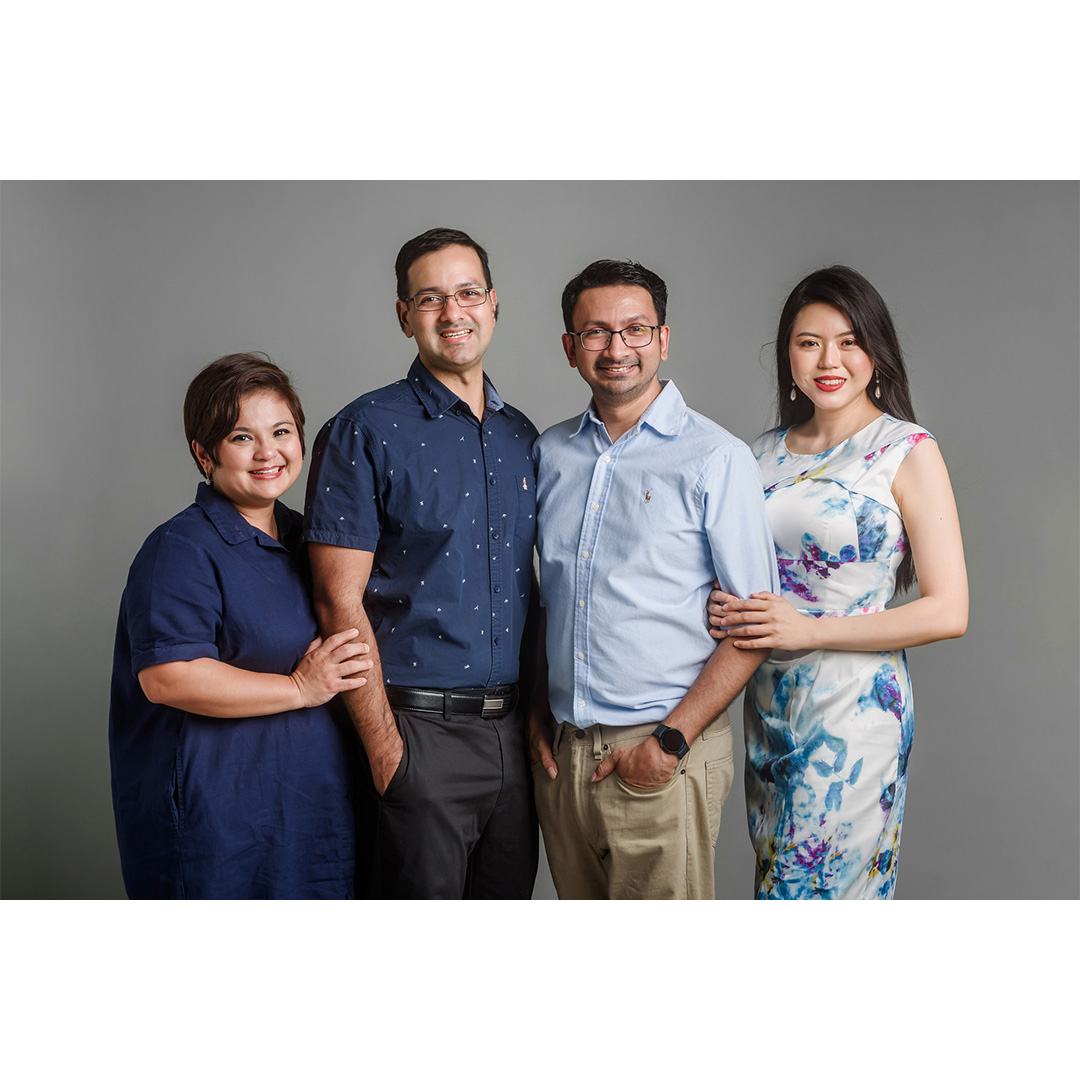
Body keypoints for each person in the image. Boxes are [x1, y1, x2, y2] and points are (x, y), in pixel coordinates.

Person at [709, 265, 968, 899]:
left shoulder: (904, 449)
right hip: (767, 706)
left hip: (853, 715)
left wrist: (810, 627)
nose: (830, 359)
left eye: (849, 341)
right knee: (777, 886)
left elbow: (948, 609)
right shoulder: (757, 454)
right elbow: (736, 569)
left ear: (876, 353)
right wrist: (720, 605)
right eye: (809, 342)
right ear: (787, 356)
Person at [528, 259, 781, 900]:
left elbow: (753, 628)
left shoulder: (715, 458)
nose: (618, 349)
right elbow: (543, 595)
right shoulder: (549, 453)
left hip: (662, 750)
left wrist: (670, 742)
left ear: (663, 340)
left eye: (636, 330)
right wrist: (536, 709)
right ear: (569, 348)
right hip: (564, 759)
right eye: (596, 333)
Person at [303, 227, 540, 900]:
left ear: (494, 303)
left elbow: (536, 588)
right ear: (404, 315)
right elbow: (335, 601)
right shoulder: (364, 430)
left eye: (467, 293)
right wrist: (385, 751)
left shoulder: (521, 435)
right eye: (430, 298)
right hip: (415, 733)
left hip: (513, 741)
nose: (452, 312)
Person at [109, 353, 372, 899]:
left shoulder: (310, 540)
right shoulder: (181, 548)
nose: (267, 452)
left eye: (280, 431)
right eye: (241, 437)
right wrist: (301, 688)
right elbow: (169, 677)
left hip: (310, 814)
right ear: (203, 453)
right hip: (221, 827)